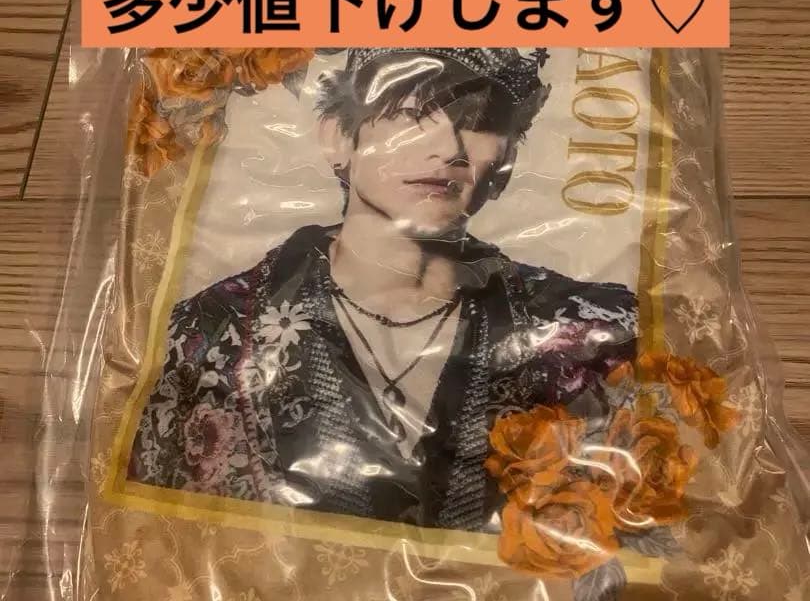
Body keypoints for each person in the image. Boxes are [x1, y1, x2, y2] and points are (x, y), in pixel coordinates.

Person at [128, 47, 638, 532]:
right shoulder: (207, 330)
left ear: (505, 163)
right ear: (338, 138)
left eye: (479, 123)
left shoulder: (593, 331)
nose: (449, 150)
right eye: (412, 114)